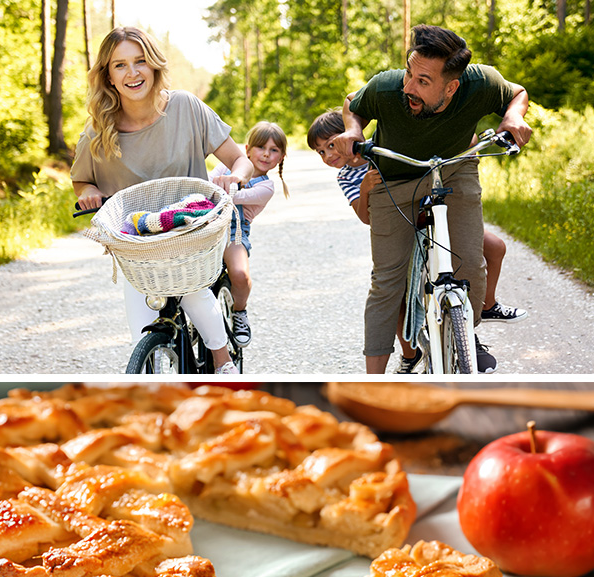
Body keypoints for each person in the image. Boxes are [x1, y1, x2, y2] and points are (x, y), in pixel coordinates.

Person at [330, 24, 532, 374]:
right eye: (409, 73)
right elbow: (353, 104)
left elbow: (517, 93)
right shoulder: (386, 86)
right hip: (393, 178)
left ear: (452, 86)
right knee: (387, 283)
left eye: (423, 81)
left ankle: (462, 340)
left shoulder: (481, 83)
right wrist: (353, 130)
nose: (409, 86)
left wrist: (513, 115)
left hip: (453, 169)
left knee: (471, 267)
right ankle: (372, 384)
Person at [71, 26, 253, 374]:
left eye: (140, 61)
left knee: (194, 293)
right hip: (139, 245)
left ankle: (223, 362)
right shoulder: (98, 129)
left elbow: (239, 158)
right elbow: (82, 180)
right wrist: (89, 193)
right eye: (120, 65)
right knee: (140, 332)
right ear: (108, 76)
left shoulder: (185, 106)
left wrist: (237, 175)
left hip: (190, 233)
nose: (133, 73)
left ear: (154, 65)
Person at [308, 110, 527, 373]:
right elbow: (365, 218)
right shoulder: (346, 176)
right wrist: (366, 187)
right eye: (320, 152)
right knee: (397, 292)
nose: (329, 155)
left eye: (331, 144)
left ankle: (486, 305)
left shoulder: (382, 149)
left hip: (439, 215)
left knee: (494, 247)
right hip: (403, 228)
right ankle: (410, 355)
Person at [208, 121, 290, 346]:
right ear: (247, 150)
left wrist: (223, 184)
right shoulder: (226, 167)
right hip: (207, 225)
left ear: (281, 157)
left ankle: (239, 312)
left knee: (240, 274)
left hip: (234, 232)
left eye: (274, 150)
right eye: (261, 147)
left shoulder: (266, 186)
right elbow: (206, 182)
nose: (266, 154)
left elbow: (234, 197)